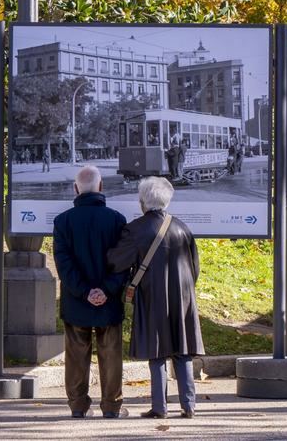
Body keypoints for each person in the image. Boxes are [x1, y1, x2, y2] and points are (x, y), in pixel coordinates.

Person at [107, 177, 204, 419]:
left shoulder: (136, 229)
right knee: (182, 350)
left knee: (157, 350)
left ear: (142, 201)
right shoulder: (182, 227)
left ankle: (160, 407)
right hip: (183, 297)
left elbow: (116, 261)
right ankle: (189, 405)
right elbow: (195, 267)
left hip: (153, 296)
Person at [53, 165, 128, 419]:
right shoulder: (117, 220)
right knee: (111, 354)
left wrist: (85, 292)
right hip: (109, 302)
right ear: (101, 187)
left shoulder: (63, 221)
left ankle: (77, 405)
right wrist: (105, 290)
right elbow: (122, 264)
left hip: (76, 301)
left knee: (76, 355)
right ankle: (111, 406)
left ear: (76, 189)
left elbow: (64, 265)